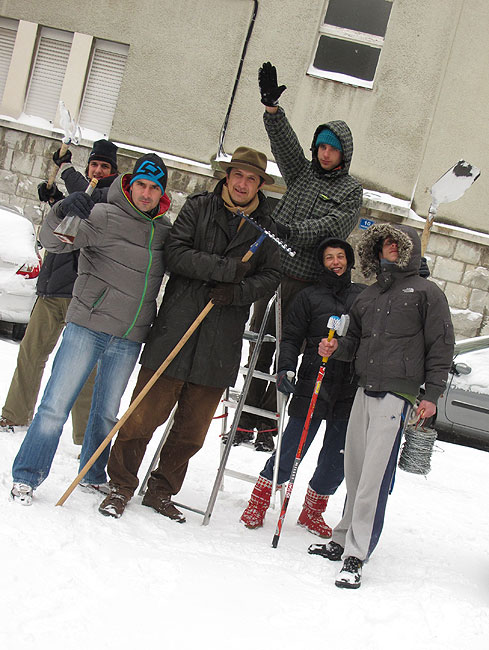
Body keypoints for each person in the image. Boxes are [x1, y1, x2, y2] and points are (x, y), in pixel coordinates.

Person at [98, 146, 281, 520]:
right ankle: (120, 486)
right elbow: (176, 254)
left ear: (260, 184)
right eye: (237, 175)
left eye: (251, 178)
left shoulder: (267, 228)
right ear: (227, 177)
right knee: (141, 419)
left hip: (219, 342)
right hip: (176, 330)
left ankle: (161, 491)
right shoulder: (199, 208)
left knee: (191, 433)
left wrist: (237, 292)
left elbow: (270, 278)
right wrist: (224, 269)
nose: (243, 183)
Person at [9, 153, 172, 505]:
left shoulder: (163, 232)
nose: (146, 193)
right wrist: (63, 209)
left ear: (162, 193)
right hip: (88, 326)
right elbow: (52, 243)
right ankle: (27, 475)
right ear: (129, 185)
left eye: (154, 188)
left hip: (129, 336)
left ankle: (93, 474)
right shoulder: (103, 215)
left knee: (106, 413)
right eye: (141, 185)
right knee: (55, 404)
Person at [310, 223, 454, 589]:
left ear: (409, 249)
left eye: (397, 243)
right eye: (385, 242)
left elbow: (441, 346)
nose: (390, 248)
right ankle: (341, 538)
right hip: (364, 388)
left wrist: (431, 395)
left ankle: (356, 554)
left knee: (374, 477)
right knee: (355, 469)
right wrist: (335, 348)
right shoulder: (368, 295)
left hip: (398, 394)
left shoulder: (426, 293)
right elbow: (354, 343)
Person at [234, 61, 363, 452]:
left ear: (344, 155)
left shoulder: (350, 190)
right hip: (273, 271)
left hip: (305, 283)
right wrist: (273, 109)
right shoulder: (303, 173)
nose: (325, 154)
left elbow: (334, 227)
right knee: (261, 343)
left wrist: (293, 232)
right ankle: (245, 420)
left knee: (287, 355)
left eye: (332, 149)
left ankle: (270, 427)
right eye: (321, 146)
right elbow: (285, 144)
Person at [240, 238, 365, 535]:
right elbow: (291, 338)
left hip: (348, 387)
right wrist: (285, 368)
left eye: (340, 257)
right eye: (329, 257)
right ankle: (258, 502)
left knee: (337, 456)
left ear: (349, 261)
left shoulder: (362, 297)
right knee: (292, 447)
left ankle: (313, 511)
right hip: (313, 380)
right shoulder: (309, 297)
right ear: (321, 264)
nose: (336, 262)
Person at [0, 140, 119, 445]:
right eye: (94, 164)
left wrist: (66, 169)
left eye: (104, 166)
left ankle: (85, 436)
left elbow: (87, 199)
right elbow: (67, 221)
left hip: (83, 293)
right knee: (31, 353)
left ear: (113, 172)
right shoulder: (82, 194)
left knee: (85, 370)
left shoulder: (112, 197)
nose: (97, 170)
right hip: (52, 287)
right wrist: (55, 201)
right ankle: (15, 413)